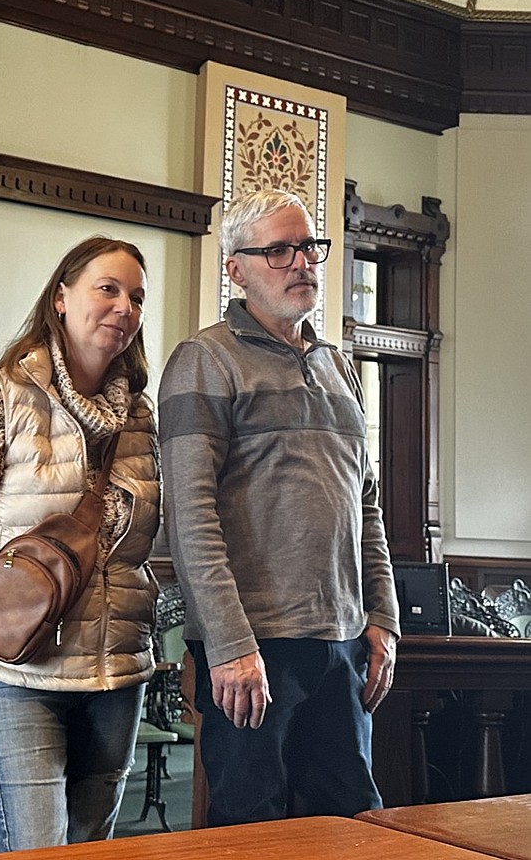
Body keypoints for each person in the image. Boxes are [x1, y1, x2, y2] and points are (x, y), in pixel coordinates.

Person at [0, 236, 161, 852]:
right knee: (36, 849)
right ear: (61, 298)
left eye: (137, 297)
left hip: (118, 675)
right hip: (17, 677)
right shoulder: (2, 398)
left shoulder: (142, 419)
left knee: (91, 846)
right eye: (108, 288)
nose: (124, 307)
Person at [158, 188, 399, 826]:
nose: (302, 263)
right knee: (250, 831)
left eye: (309, 247)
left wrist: (383, 619)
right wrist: (228, 645)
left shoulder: (338, 366)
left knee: (351, 825)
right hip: (253, 647)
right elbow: (190, 517)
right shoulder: (204, 360)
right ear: (234, 267)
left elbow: (365, 507)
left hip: (343, 644)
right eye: (279, 251)